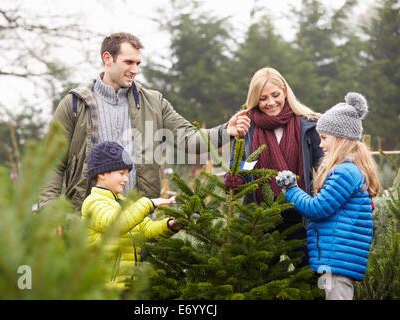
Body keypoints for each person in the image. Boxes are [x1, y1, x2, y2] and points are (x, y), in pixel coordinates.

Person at [39, 32, 250, 212]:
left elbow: (188, 137)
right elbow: (52, 162)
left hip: (138, 217)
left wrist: (225, 131)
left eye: (138, 63)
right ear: (107, 58)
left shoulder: (154, 102)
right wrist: (48, 210)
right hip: (87, 220)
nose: (135, 70)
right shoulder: (74, 104)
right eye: (128, 62)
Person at [275, 92, 380, 300]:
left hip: (337, 259)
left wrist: (291, 189)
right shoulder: (348, 171)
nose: (320, 144)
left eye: (324, 138)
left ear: (340, 139)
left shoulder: (344, 173)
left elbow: (317, 208)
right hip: (335, 258)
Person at [225, 67, 324, 265]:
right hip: (261, 218)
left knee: (308, 276)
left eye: (275, 95)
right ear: (255, 99)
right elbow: (245, 164)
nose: (270, 102)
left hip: (301, 216)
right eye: (263, 98)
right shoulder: (246, 127)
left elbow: (324, 165)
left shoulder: (307, 124)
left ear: (285, 92)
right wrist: (236, 177)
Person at [81, 141, 179, 290]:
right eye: (121, 173)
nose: (126, 179)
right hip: (105, 289)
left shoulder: (123, 202)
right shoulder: (93, 203)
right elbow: (116, 224)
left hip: (128, 286)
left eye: (127, 174)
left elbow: (145, 229)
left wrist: (170, 225)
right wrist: (148, 203)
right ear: (101, 173)